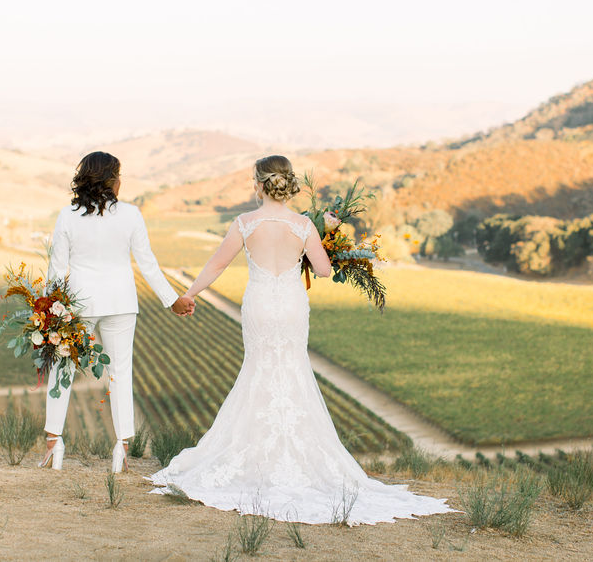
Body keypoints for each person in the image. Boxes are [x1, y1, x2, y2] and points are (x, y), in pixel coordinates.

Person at [149, 155, 456, 524]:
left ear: (259, 184)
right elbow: (324, 270)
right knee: (293, 369)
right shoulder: (302, 225)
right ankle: (300, 458)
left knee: (259, 370)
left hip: (260, 304)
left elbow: (216, 264)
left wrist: (190, 294)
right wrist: (324, 242)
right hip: (292, 305)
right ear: (287, 184)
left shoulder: (244, 223)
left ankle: (254, 457)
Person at [41, 151, 194, 472]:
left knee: (62, 371)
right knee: (120, 373)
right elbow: (148, 265)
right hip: (121, 303)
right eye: (118, 175)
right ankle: (121, 450)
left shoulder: (67, 215)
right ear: (110, 180)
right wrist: (172, 300)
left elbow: (56, 270)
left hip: (78, 305)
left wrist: (46, 311)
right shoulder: (131, 215)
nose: (121, 181)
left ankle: (54, 444)